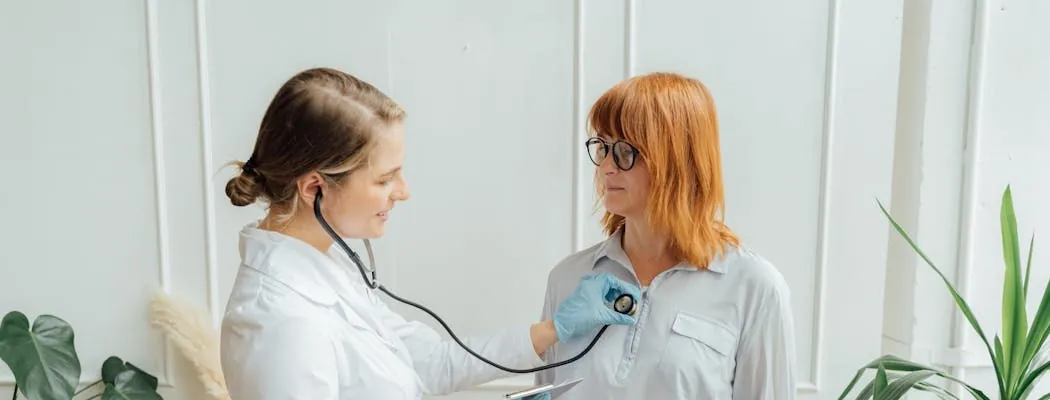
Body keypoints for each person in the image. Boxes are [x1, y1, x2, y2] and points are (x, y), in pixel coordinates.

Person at [218, 67, 641, 399]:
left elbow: (431, 363)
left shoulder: (327, 269)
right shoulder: (278, 323)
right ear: (315, 189)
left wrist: (556, 328)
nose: (403, 192)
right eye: (385, 179)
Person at [534, 72, 797, 399]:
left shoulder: (756, 289)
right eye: (602, 147)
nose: (606, 167)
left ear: (677, 161)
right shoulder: (568, 278)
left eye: (625, 151)